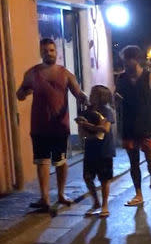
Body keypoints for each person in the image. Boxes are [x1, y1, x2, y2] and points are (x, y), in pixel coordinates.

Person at [16, 38, 87, 211]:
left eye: (51, 50)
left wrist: (87, 100)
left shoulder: (65, 74)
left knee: (61, 162)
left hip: (59, 127)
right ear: (40, 53)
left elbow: (78, 94)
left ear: (56, 52)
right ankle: (45, 198)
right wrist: (24, 92)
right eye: (45, 50)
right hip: (39, 126)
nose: (48, 53)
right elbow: (20, 94)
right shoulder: (32, 73)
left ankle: (61, 194)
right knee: (42, 162)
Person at [116, 45, 151, 206]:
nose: (124, 64)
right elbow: (117, 101)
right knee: (133, 163)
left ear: (135, 59)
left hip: (148, 126)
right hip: (129, 128)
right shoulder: (121, 79)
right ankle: (138, 193)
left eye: (127, 60)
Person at [76, 85, 115, 218]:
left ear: (100, 97)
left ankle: (104, 205)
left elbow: (106, 129)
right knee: (87, 177)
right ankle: (96, 202)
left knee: (104, 179)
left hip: (105, 148)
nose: (90, 96)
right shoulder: (88, 110)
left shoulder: (107, 111)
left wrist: (88, 126)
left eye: (93, 94)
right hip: (90, 147)